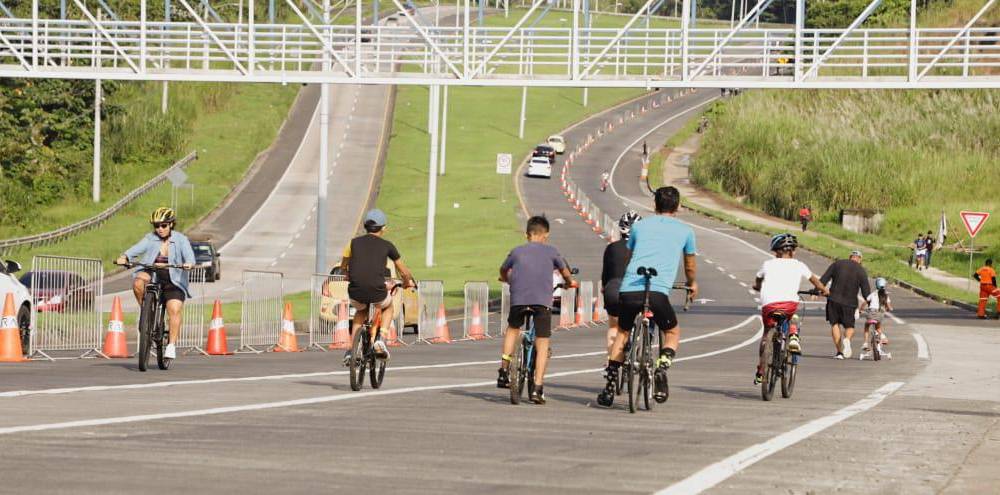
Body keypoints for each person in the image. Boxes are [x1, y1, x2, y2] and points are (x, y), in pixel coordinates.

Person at [597, 186, 697, 407]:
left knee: (622, 334)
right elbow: (689, 265)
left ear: (654, 205)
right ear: (678, 206)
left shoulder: (639, 228)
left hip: (630, 288)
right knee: (671, 331)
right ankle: (662, 366)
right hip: (657, 292)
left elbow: (631, 256)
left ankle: (609, 388)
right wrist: (691, 283)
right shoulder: (686, 231)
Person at [497, 216, 577, 405]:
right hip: (542, 302)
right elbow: (565, 272)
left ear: (527, 234)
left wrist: (506, 279)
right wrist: (569, 283)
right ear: (546, 235)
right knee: (542, 343)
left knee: (513, 329)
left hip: (519, 299)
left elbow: (502, 269)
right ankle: (538, 388)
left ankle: (503, 370)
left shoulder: (516, 251)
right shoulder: (551, 251)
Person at [115, 207, 195, 362]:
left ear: (171, 224)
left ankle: (171, 345)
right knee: (138, 282)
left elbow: (189, 256)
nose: (160, 229)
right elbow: (136, 249)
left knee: (174, 309)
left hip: (173, 278)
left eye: (163, 225)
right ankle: (147, 313)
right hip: (152, 273)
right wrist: (124, 256)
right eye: (156, 226)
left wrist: (189, 263)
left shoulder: (180, 239)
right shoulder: (150, 238)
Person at [751, 233, 829, 384]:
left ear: (775, 251)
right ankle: (793, 335)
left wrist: (758, 286)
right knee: (792, 315)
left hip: (769, 305)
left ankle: (761, 370)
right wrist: (825, 291)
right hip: (788, 304)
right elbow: (815, 281)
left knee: (767, 333)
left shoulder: (767, 264)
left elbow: (758, 280)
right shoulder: (799, 265)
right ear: (793, 251)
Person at [340, 209, 416, 363]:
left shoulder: (353, 242)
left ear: (365, 226)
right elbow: (404, 271)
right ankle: (381, 337)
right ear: (383, 228)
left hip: (356, 291)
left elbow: (343, 266)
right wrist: (408, 281)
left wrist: (347, 274)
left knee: (360, 312)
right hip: (377, 291)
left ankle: (352, 350)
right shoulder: (387, 245)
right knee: (388, 307)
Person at [601, 211, 641, 360]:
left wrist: (604, 288)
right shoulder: (643, 250)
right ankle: (639, 341)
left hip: (613, 289)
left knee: (614, 327)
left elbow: (605, 276)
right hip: (635, 291)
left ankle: (612, 364)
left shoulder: (611, 248)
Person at [820, 250, 871, 360]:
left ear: (850, 257)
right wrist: (871, 303)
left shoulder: (837, 264)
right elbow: (866, 293)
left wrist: (816, 290)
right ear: (860, 259)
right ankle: (847, 339)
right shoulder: (861, 271)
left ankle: (839, 353)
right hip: (850, 303)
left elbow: (824, 278)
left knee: (834, 324)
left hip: (833, 300)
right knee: (849, 327)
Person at [861, 277, 893, 354]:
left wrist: (860, 310)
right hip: (879, 314)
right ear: (884, 285)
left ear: (876, 285)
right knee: (878, 326)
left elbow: (864, 303)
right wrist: (889, 309)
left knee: (866, 326)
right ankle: (883, 337)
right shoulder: (886, 295)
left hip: (871, 313)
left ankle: (865, 343)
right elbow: (888, 306)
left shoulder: (873, 294)